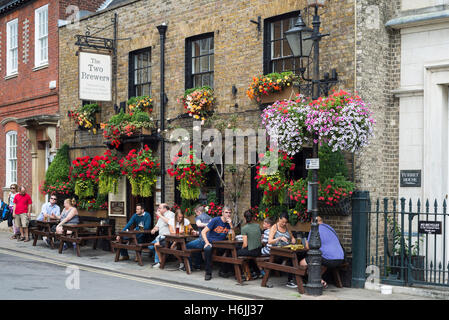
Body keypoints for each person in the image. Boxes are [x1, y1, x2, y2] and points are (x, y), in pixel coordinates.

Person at [186, 206, 233, 281]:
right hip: (209, 241)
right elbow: (204, 232)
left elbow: (233, 236)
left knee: (230, 250)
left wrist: (231, 224)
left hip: (220, 244)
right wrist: (207, 242)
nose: (228, 214)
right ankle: (208, 273)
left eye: (229, 213)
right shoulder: (215, 220)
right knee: (206, 249)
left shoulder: (228, 224)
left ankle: (223, 271)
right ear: (222, 213)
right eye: (226, 212)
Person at [300, 216, 345, 289]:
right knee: (321, 265)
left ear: (312, 221)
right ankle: (319, 280)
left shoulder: (314, 229)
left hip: (328, 259)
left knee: (302, 264)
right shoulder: (330, 228)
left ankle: (319, 281)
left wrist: (304, 242)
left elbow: (308, 247)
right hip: (340, 258)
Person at [268, 212, 297, 288]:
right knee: (292, 258)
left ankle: (300, 279)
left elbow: (291, 237)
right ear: (279, 219)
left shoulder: (287, 227)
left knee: (298, 255)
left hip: (287, 249)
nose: (284, 224)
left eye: (285, 222)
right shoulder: (274, 227)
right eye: (282, 222)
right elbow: (270, 241)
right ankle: (290, 281)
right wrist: (279, 238)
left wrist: (293, 239)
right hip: (277, 251)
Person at [148, 203, 175, 268]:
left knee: (157, 246)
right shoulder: (161, 216)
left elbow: (169, 221)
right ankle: (163, 258)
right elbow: (157, 226)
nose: (158, 209)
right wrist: (154, 229)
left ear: (165, 209)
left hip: (167, 238)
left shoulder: (171, 214)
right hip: (159, 237)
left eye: (160, 208)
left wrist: (160, 215)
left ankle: (158, 262)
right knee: (150, 247)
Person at [237, 210, 262, 279]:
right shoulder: (257, 226)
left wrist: (241, 248)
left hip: (252, 252)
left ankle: (241, 273)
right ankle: (255, 271)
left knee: (235, 252)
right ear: (253, 217)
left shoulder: (244, 228)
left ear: (245, 218)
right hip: (259, 250)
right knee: (243, 251)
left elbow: (245, 244)